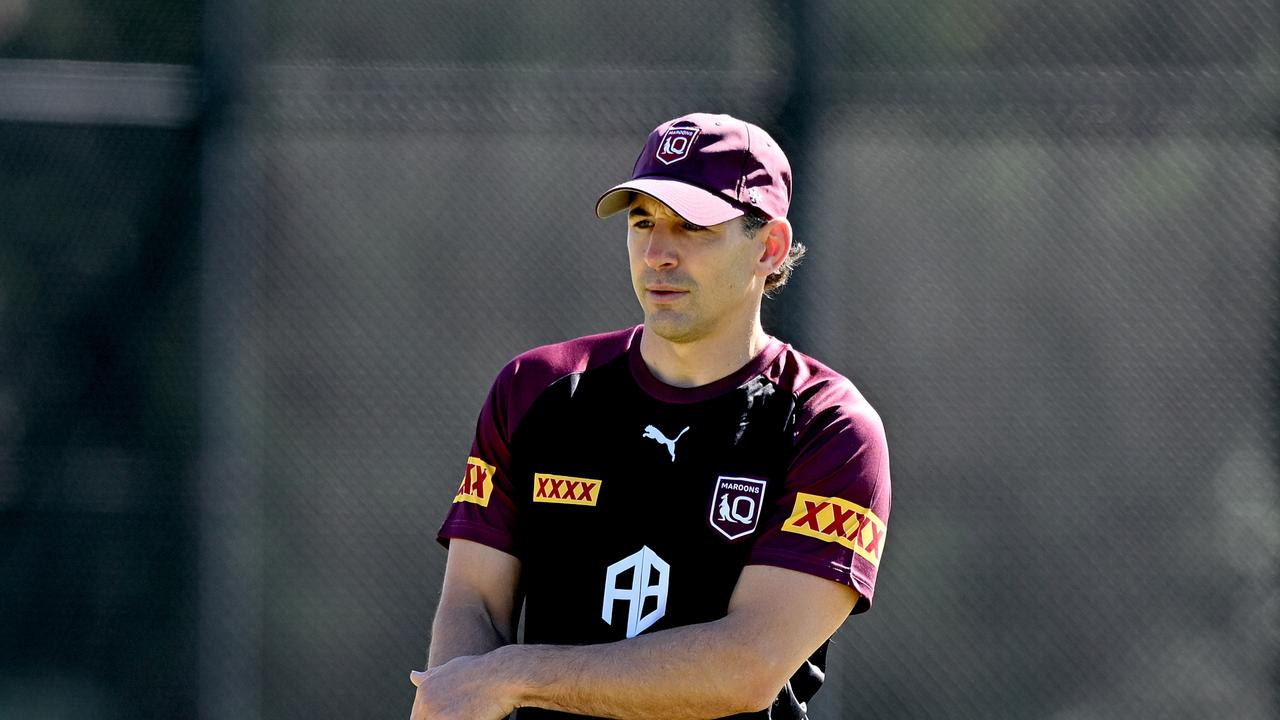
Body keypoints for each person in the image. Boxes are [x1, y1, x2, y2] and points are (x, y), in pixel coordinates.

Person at [409, 112, 891, 720]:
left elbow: (746, 669)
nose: (659, 253)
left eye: (693, 227)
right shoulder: (536, 391)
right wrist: (462, 698)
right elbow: (474, 604)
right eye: (643, 222)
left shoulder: (829, 428)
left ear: (768, 247)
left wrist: (512, 676)